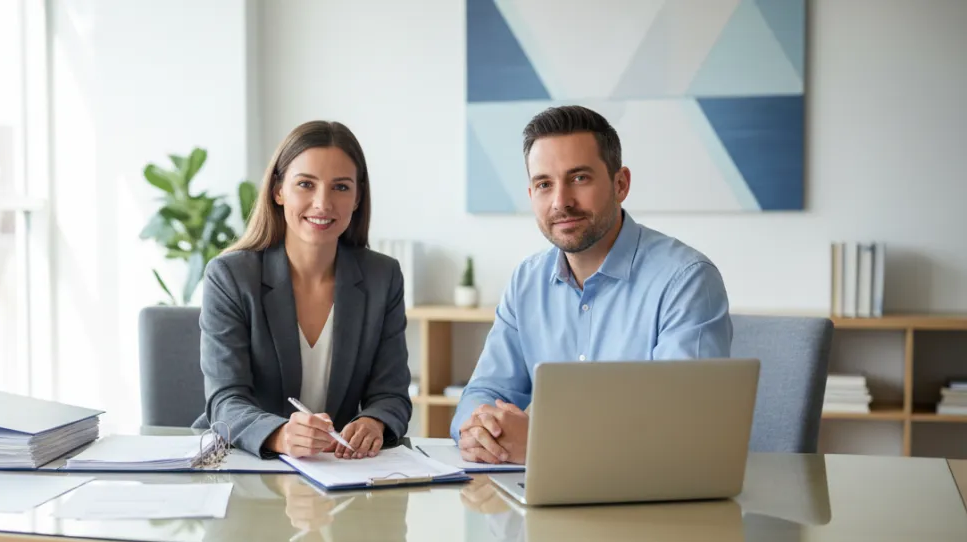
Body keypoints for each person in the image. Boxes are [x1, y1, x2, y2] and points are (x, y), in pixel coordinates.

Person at [452, 105, 732, 465]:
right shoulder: (526, 281)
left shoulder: (686, 281)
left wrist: (545, 445)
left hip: (651, 495)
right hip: (540, 492)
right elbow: (484, 392)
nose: (561, 202)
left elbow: (683, 429)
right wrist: (479, 430)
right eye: (544, 184)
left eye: (579, 178)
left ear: (620, 184)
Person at [193, 120, 411, 459]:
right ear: (278, 191)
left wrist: (373, 421)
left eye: (341, 187)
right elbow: (225, 400)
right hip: (248, 462)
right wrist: (279, 435)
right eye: (306, 184)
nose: (322, 203)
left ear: (357, 197)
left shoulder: (383, 277)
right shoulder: (230, 276)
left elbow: (392, 393)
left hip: (338, 467)